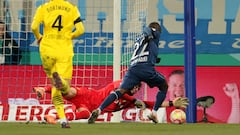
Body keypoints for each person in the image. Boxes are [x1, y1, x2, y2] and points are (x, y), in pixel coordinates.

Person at [88, 22, 168, 124]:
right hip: (146, 69)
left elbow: (144, 52)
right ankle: (154, 112)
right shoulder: (151, 33)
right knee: (164, 85)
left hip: (133, 69)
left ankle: (99, 109)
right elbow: (148, 30)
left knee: (120, 91)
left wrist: (155, 59)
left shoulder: (139, 40)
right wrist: (149, 32)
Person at [31, 0, 85, 128]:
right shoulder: (72, 8)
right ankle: (61, 83)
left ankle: (63, 119)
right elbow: (81, 30)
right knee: (63, 89)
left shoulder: (43, 8)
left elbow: (33, 27)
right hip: (64, 50)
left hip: (47, 49)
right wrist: (69, 36)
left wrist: (39, 37)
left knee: (54, 85)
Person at [33, 80, 189, 124]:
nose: (135, 90)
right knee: (68, 91)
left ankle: (53, 119)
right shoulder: (120, 85)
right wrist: (134, 100)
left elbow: (150, 103)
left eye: (136, 88)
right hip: (87, 95)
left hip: (89, 108)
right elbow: (120, 93)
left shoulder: (131, 101)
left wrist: (171, 104)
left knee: (83, 114)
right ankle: (44, 89)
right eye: (134, 87)